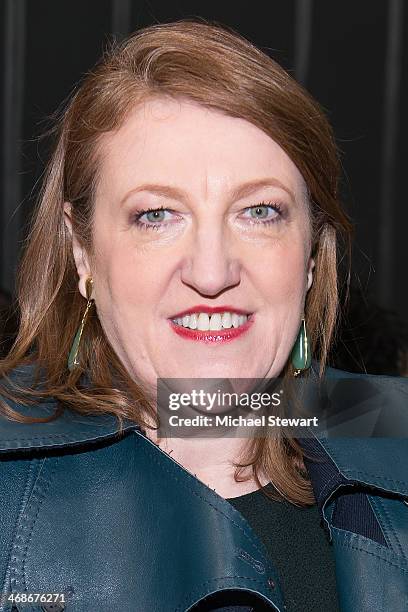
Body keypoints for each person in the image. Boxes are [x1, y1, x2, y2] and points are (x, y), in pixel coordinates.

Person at [0, 19, 407, 612]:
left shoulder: (391, 432)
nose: (212, 273)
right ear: (81, 249)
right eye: (157, 215)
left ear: (313, 253)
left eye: (260, 211)